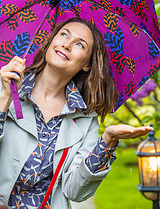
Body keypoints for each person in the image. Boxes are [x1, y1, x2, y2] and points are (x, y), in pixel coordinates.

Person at [0, 17, 152, 209]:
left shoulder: (84, 118)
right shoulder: (6, 86)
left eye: (80, 44)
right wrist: (4, 98)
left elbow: (75, 191)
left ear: (86, 65)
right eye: (64, 34)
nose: (67, 44)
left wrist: (107, 141)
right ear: (50, 41)